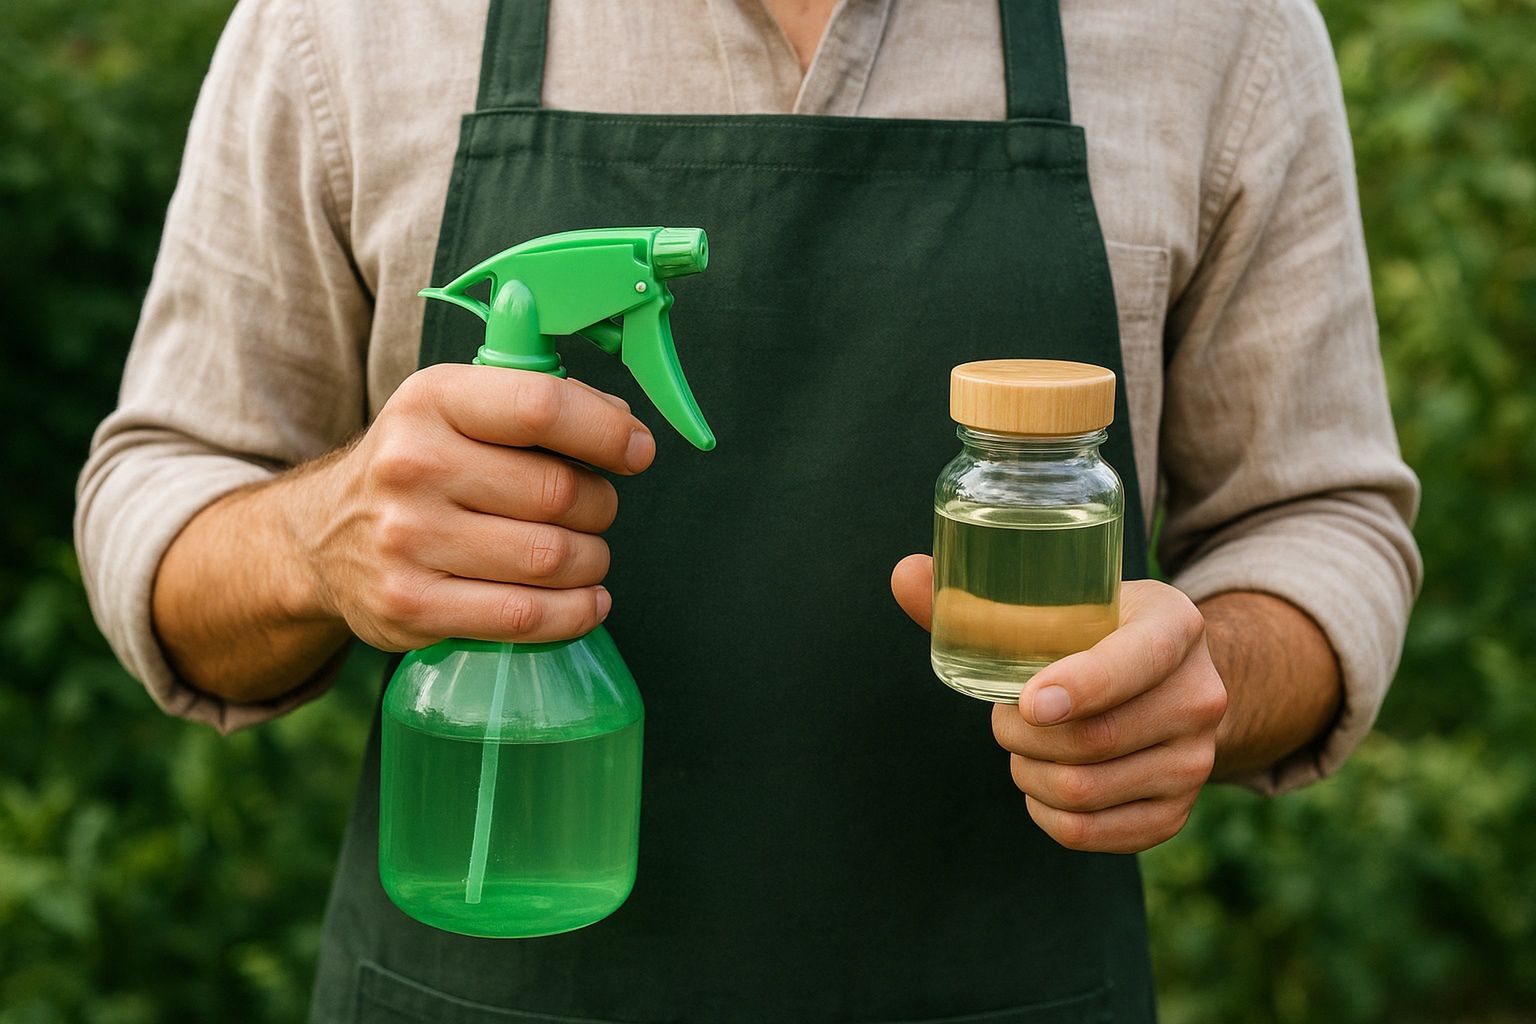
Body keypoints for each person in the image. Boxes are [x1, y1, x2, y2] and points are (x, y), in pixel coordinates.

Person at [76, 0, 1421, 1020]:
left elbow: (1324, 520)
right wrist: (323, 536)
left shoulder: (1219, 30)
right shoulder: (345, 26)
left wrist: (1212, 680)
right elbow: (163, 488)